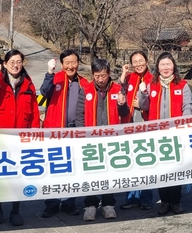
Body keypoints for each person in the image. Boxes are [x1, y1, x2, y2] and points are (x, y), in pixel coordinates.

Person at [0, 49, 40, 226]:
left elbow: (34, 111)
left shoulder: (28, 84)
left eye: (19, 62)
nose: (16, 65)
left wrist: (35, 131)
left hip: (20, 137)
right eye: (12, 62)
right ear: (5, 64)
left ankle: (15, 210)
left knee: (18, 175)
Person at [137, 51, 192, 215]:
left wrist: (185, 127)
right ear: (158, 67)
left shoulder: (182, 85)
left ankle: (176, 202)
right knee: (161, 170)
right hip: (157, 135)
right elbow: (144, 106)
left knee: (176, 169)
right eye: (162, 64)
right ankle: (164, 202)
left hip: (176, 135)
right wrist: (142, 93)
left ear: (174, 66)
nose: (166, 67)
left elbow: (187, 108)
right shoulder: (151, 85)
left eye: (168, 64)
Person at [76, 59, 129, 221]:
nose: (100, 79)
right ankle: (90, 205)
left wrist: (122, 104)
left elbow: (124, 113)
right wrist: (82, 136)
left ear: (109, 74)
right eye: (97, 76)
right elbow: (79, 115)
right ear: (92, 75)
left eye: (103, 76)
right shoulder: (85, 90)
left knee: (109, 173)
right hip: (90, 141)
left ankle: (108, 204)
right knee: (91, 173)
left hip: (111, 140)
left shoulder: (118, 89)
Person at [39, 48, 89, 217]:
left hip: (75, 130)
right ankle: (51, 204)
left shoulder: (83, 83)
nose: (70, 66)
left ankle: (69, 202)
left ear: (78, 64)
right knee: (53, 167)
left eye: (73, 62)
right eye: (67, 63)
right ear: (62, 64)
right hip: (55, 130)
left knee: (72, 168)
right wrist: (49, 73)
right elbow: (44, 92)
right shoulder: (55, 79)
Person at [118, 50, 154, 211]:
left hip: (146, 126)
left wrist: (143, 105)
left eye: (141, 61)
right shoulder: (129, 78)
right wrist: (123, 74)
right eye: (135, 62)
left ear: (147, 62)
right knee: (130, 163)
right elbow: (120, 92)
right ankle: (131, 197)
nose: (138, 64)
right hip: (129, 126)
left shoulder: (153, 79)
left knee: (146, 163)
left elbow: (157, 101)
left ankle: (146, 198)